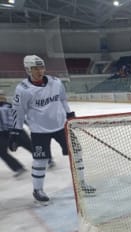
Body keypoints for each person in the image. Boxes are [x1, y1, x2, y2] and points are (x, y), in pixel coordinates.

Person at [9, 55, 94, 204]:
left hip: (62, 127)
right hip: (39, 131)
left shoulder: (55, 82)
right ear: (28, 69)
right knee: (40, 160)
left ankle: (81, 183)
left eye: (41, 67)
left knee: (77, 153)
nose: (40, 71)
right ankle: (38, 190)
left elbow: (62, 99)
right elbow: (18, 111)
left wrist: (69, 114)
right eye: (36, 68)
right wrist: (15, 132)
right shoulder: (23, 89)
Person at [0, 91, 27, 177]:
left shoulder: (9, 106)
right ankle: (18, 167)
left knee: (28, 144)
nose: (2, 98)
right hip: (2, 133)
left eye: (2, 96)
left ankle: (46, 158)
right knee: (2, 152)